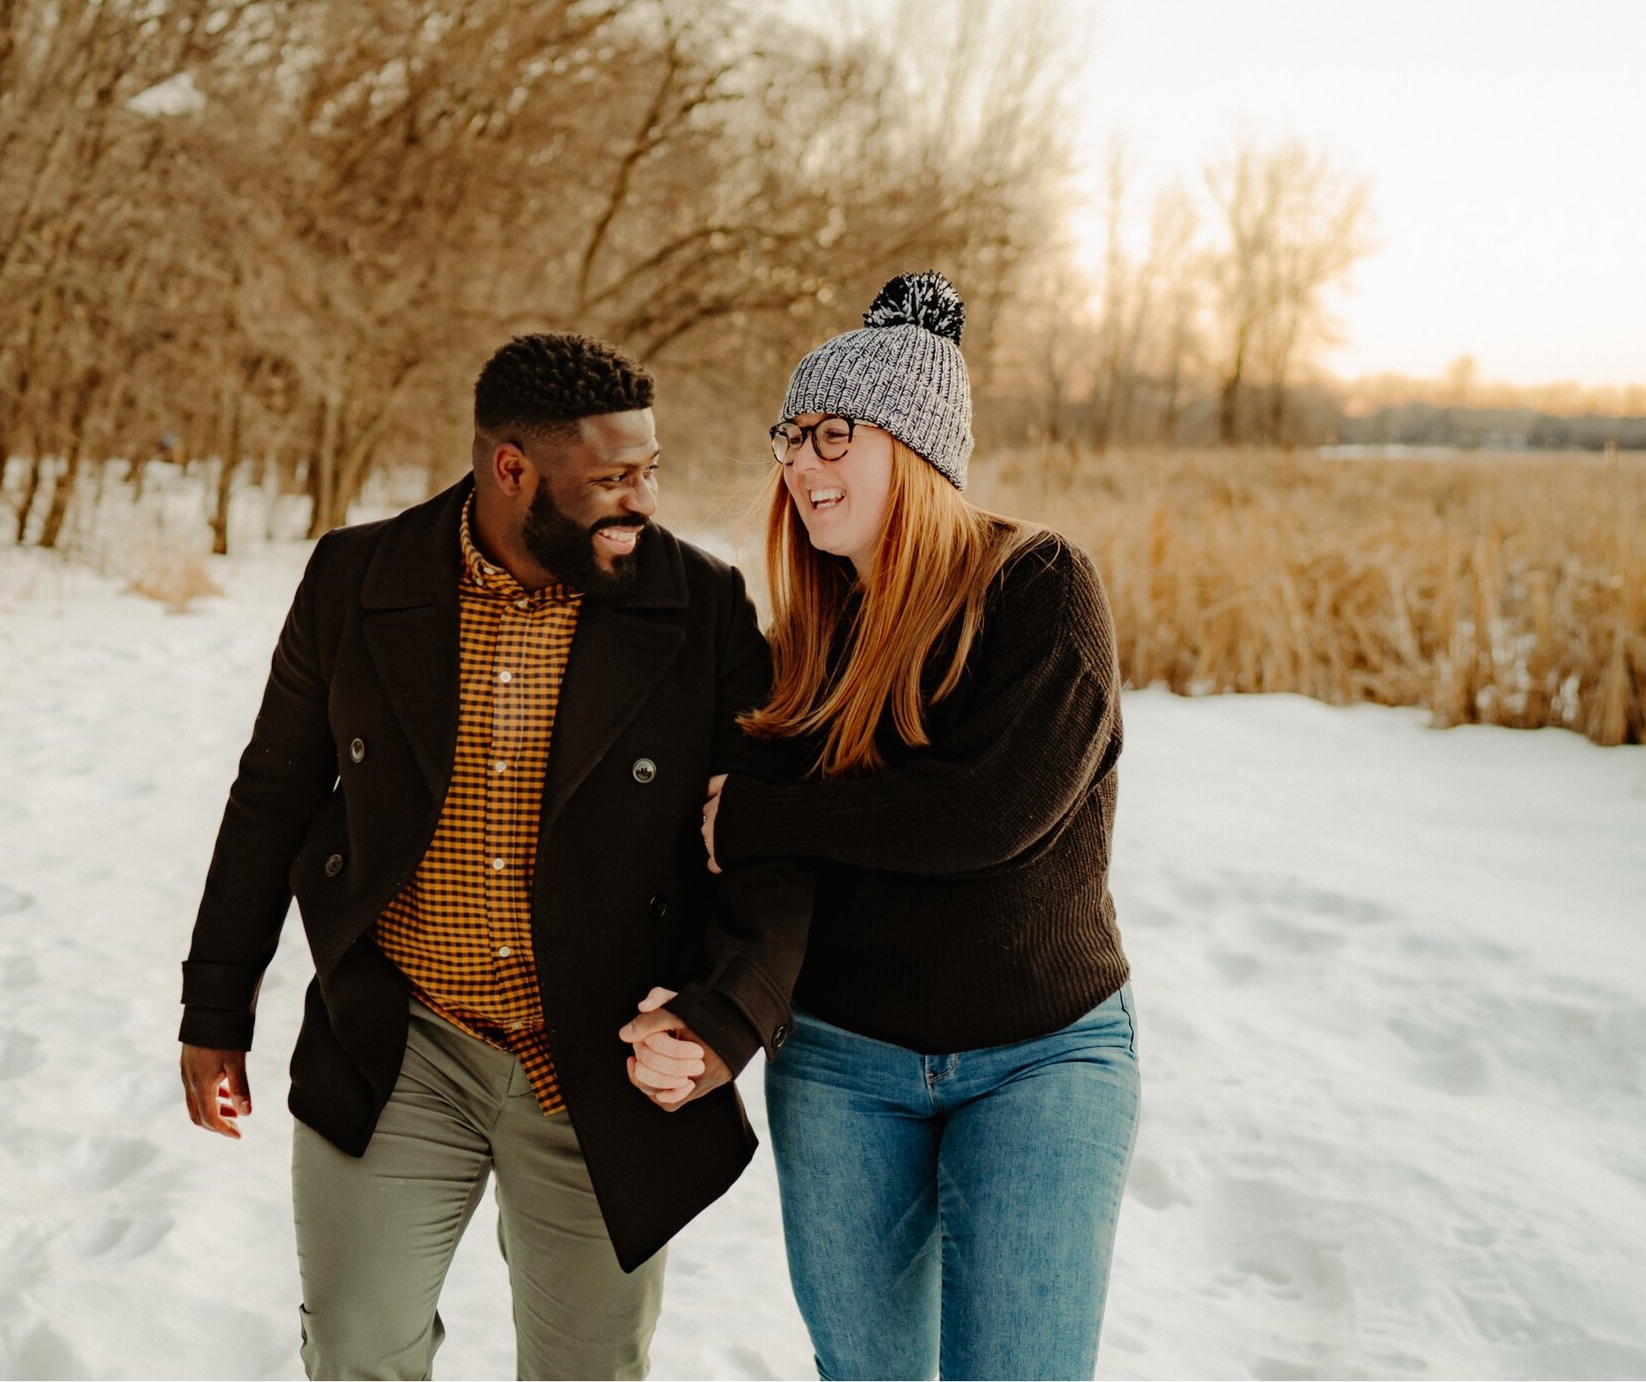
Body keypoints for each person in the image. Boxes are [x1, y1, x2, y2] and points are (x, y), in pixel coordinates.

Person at [177, 333, 810, 1381]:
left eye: (649, 469)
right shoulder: (356, 579)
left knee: (588, 1367)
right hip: (402, 1035)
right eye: (611, 478)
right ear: (511, 469)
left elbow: (770, 845)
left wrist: (725, 1015)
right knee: (353, 1344)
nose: (642, 501)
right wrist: (214, 1007)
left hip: (597, 1058)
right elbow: (273, 795)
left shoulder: (699, 607)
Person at [622, 272, 1138, 1381]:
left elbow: (984, 814)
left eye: (831, 433)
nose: (800, 462)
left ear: (913, 443)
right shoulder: (807, 635)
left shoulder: (1039, 587)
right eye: (789, 437)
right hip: (843, 1064)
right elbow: (745, 873)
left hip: (1040, 1058)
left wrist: (769, 812)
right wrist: (709, 1005)